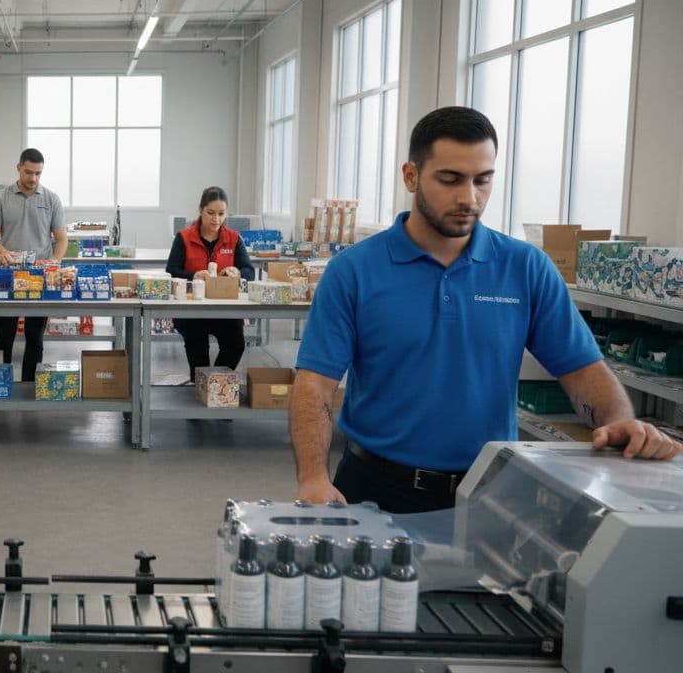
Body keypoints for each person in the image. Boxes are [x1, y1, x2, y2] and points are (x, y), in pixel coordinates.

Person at [289, 106, 680, 514]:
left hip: (491, 490)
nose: (469, 197)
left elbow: (582, 370)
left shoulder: (526, 268)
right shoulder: (353, 271)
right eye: (450, 179)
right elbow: (316, 383)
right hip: (374, 486)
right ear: (411, 176)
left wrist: (617, 421)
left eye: (483, 180)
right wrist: (313, 477)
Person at [0, 148, 67, 380]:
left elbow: (61, 240)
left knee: (35, 338)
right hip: (7, 277)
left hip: (39, 278)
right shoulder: (1, 198)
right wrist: (2, 251)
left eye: (38, 173)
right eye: (29, 172)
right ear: (18, 167)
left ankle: (30, 387)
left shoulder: (51, 199)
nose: (33, 178)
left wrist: (54, 262)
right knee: (3, 338)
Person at [165, 186, 256, 381]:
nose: (216, 219)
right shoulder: (184, 238)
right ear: (200, 210)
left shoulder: (233, 238)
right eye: (211, 213)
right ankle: (202, 384)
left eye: (221, 214)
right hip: (192, 311)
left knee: (236, 345)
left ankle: (215, 383)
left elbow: (250, 271)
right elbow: (171, 270)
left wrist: (237, 272)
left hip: (225, 310)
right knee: (198, 350)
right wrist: (193, 276)